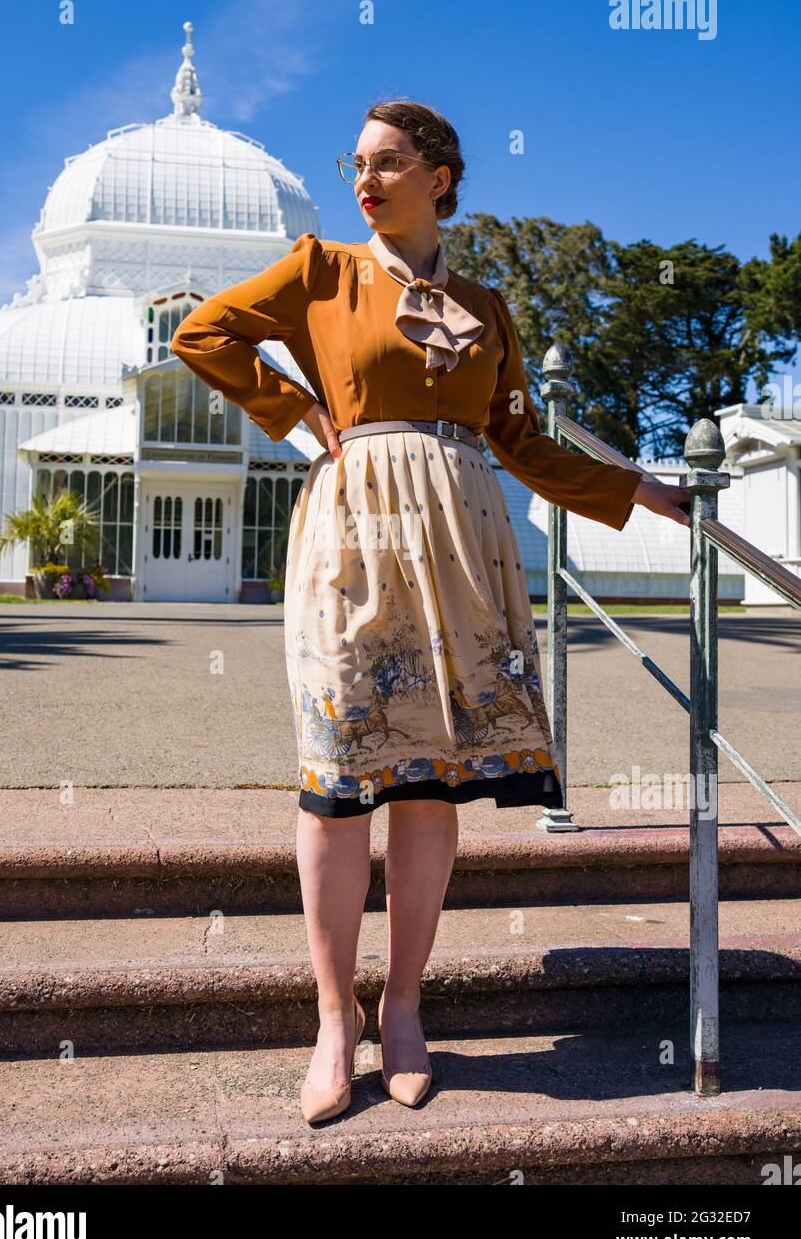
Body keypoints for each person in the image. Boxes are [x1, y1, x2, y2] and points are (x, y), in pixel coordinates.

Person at [171, 99, 691, 1125]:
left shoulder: (487, 307)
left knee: (426, 782)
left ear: (440, 175)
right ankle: (332, 1015)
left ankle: (402, 1007)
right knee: (336, 778)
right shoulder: (320, 268)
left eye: (386, 163)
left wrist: (632, 487)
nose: (362, 179)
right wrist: (295, 410)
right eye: (354, 163)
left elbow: (521, 444)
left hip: (461, 544)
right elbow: (204, 331)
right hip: (352, 538)